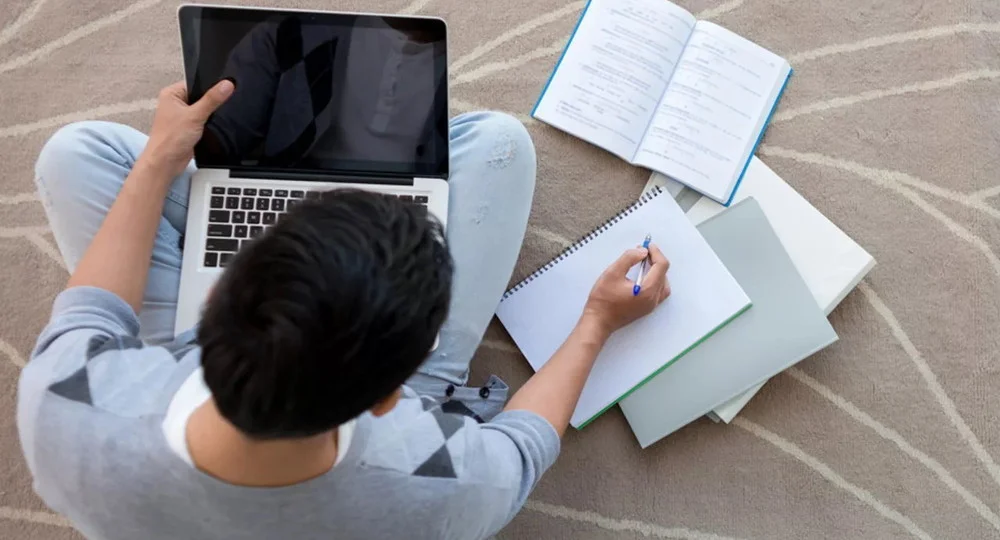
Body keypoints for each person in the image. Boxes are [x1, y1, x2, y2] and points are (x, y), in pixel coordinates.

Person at [17, 80, 671, 540]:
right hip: (367, 409)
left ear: (215, 295)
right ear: (389, 398)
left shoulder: (63, 398)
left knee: (76, 154)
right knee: (498, 143)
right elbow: (522, 445)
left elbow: (94, 306)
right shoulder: (441, 482)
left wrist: (162, 156)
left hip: (178, 370)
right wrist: (596, 322)